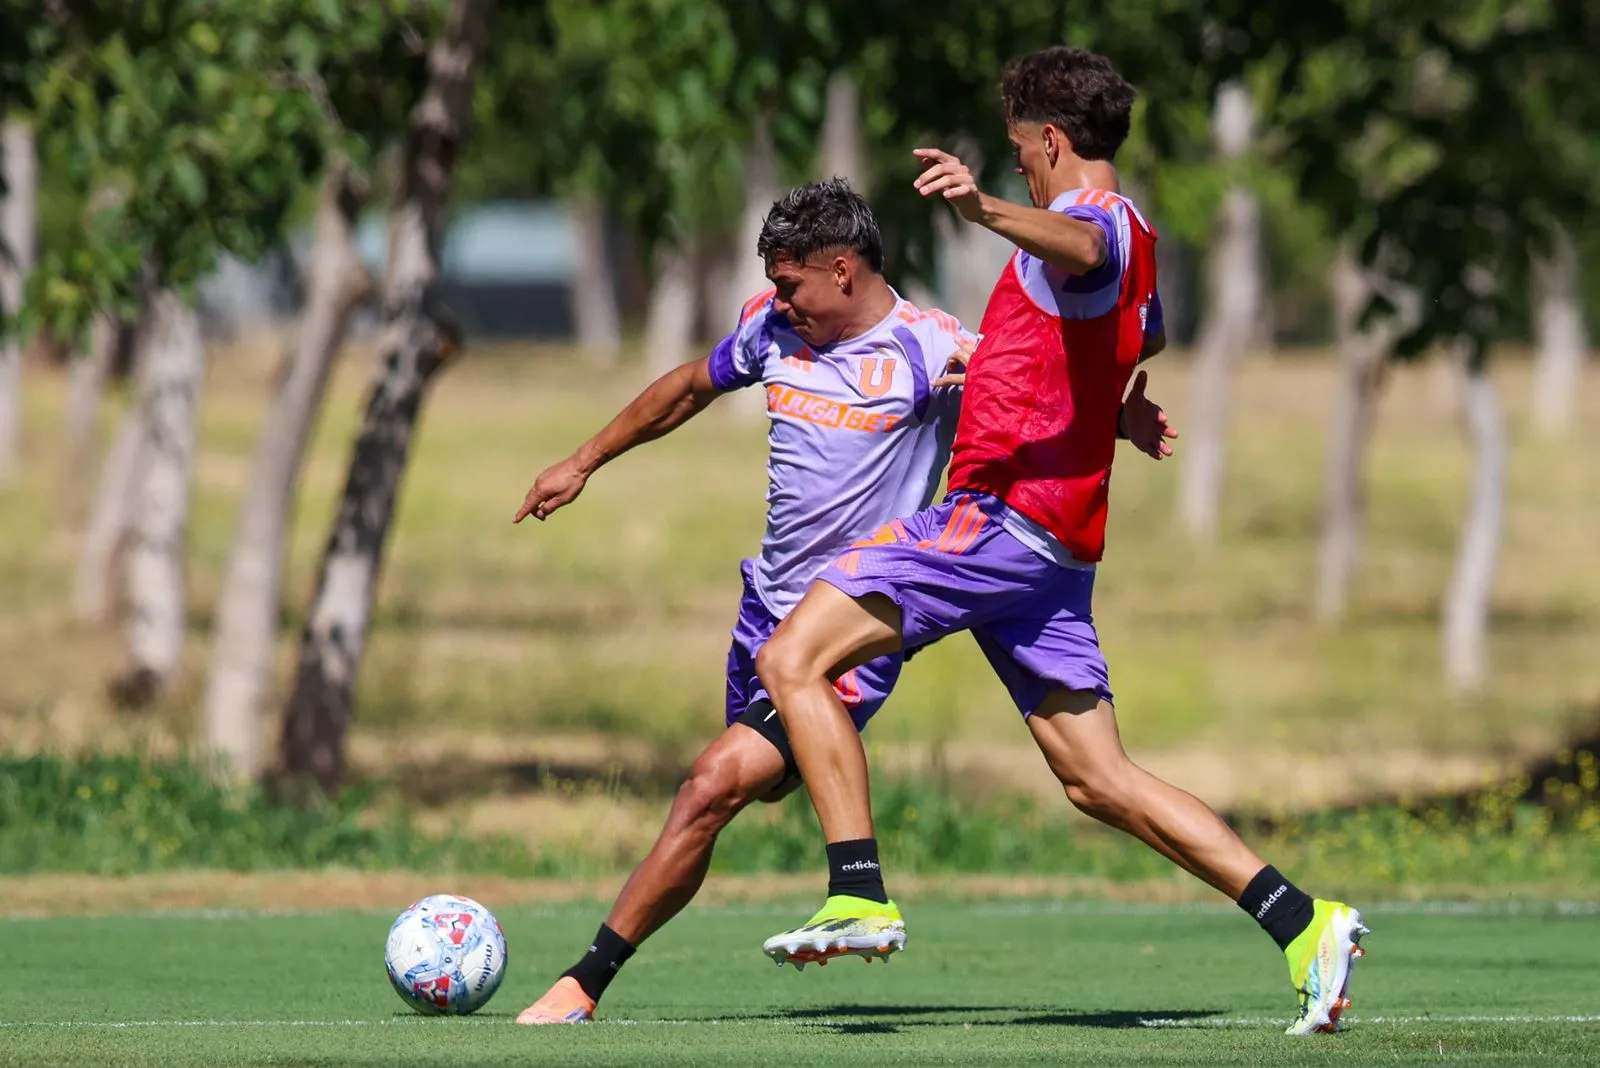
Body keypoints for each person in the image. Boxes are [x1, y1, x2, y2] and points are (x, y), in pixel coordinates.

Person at [752, 48, 1368, 1037]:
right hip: (1054, 551)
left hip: (996, 522)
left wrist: (984, 212)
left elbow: (1081, 253)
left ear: (1048, 142)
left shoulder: (1091, 227)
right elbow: (1142, 334)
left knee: (791, 656)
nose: (1018, 171)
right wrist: (1103, 402)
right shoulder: (1141, 240)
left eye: (1017, 154)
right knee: (1095, 779)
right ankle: (1305, 925)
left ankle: (858, 892)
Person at [509, 177, 1176, 1024]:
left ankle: (587, 982)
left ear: (843, 270)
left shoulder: (931, 350)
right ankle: (613, 966)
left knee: (710, 785)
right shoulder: (771, 329)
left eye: (793, 285)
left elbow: (1031, 396)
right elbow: (685, 388)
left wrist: (1117, 423)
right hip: (765, 612)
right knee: (730, 792)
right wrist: (582, 460)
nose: (781, 301)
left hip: (850, 630)